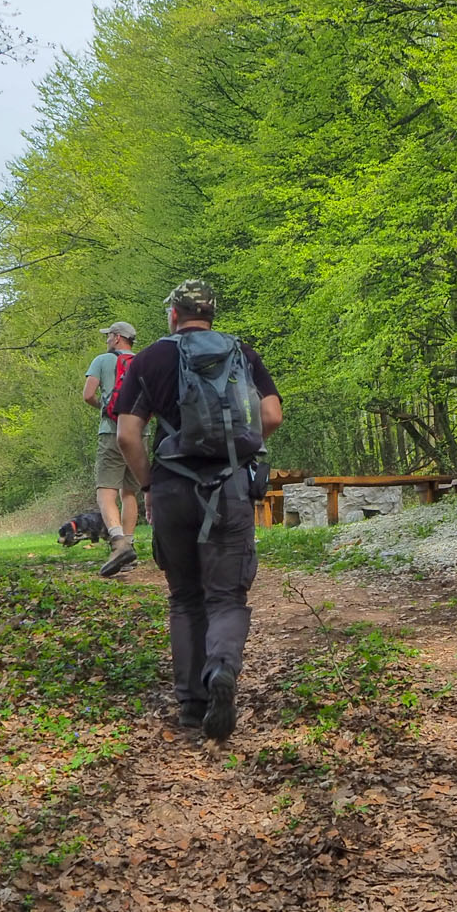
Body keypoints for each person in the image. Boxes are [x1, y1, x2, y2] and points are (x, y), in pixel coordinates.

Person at [113, 280, 282, 740]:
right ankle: (221, 670)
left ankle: (191, 704)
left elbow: (128, 435)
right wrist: (239, 452)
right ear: (211, 314)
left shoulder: (149, 359)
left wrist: (148, 483)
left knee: (185, 597)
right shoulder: (241, 353)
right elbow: (271, 416)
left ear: (173, 314)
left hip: (171, 489)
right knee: (226, 596)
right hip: (228, 488)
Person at [84, 321, 141, 573]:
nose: (106, 340)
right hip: (140, 433)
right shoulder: (144, 362)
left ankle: (118, 542)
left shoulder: (102, 360)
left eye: (108, 336)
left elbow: (88, 395)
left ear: (118, 338)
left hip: (111, 432)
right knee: (129, 493)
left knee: (105, 492)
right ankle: (129, 546)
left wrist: (106, 410)